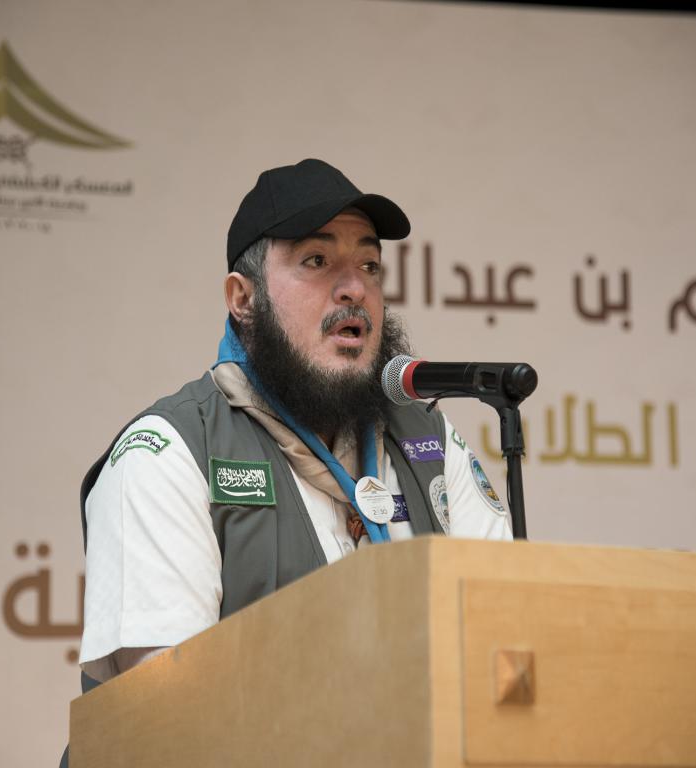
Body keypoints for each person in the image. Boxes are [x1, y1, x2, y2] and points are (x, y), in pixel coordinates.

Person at [78, 158, 511, 683]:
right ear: (243, 298)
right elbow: (165, 708)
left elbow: (503, 642)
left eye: (370, 266)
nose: (354, 288)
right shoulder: (169, 453)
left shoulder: (431, 439)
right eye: (316, 260)